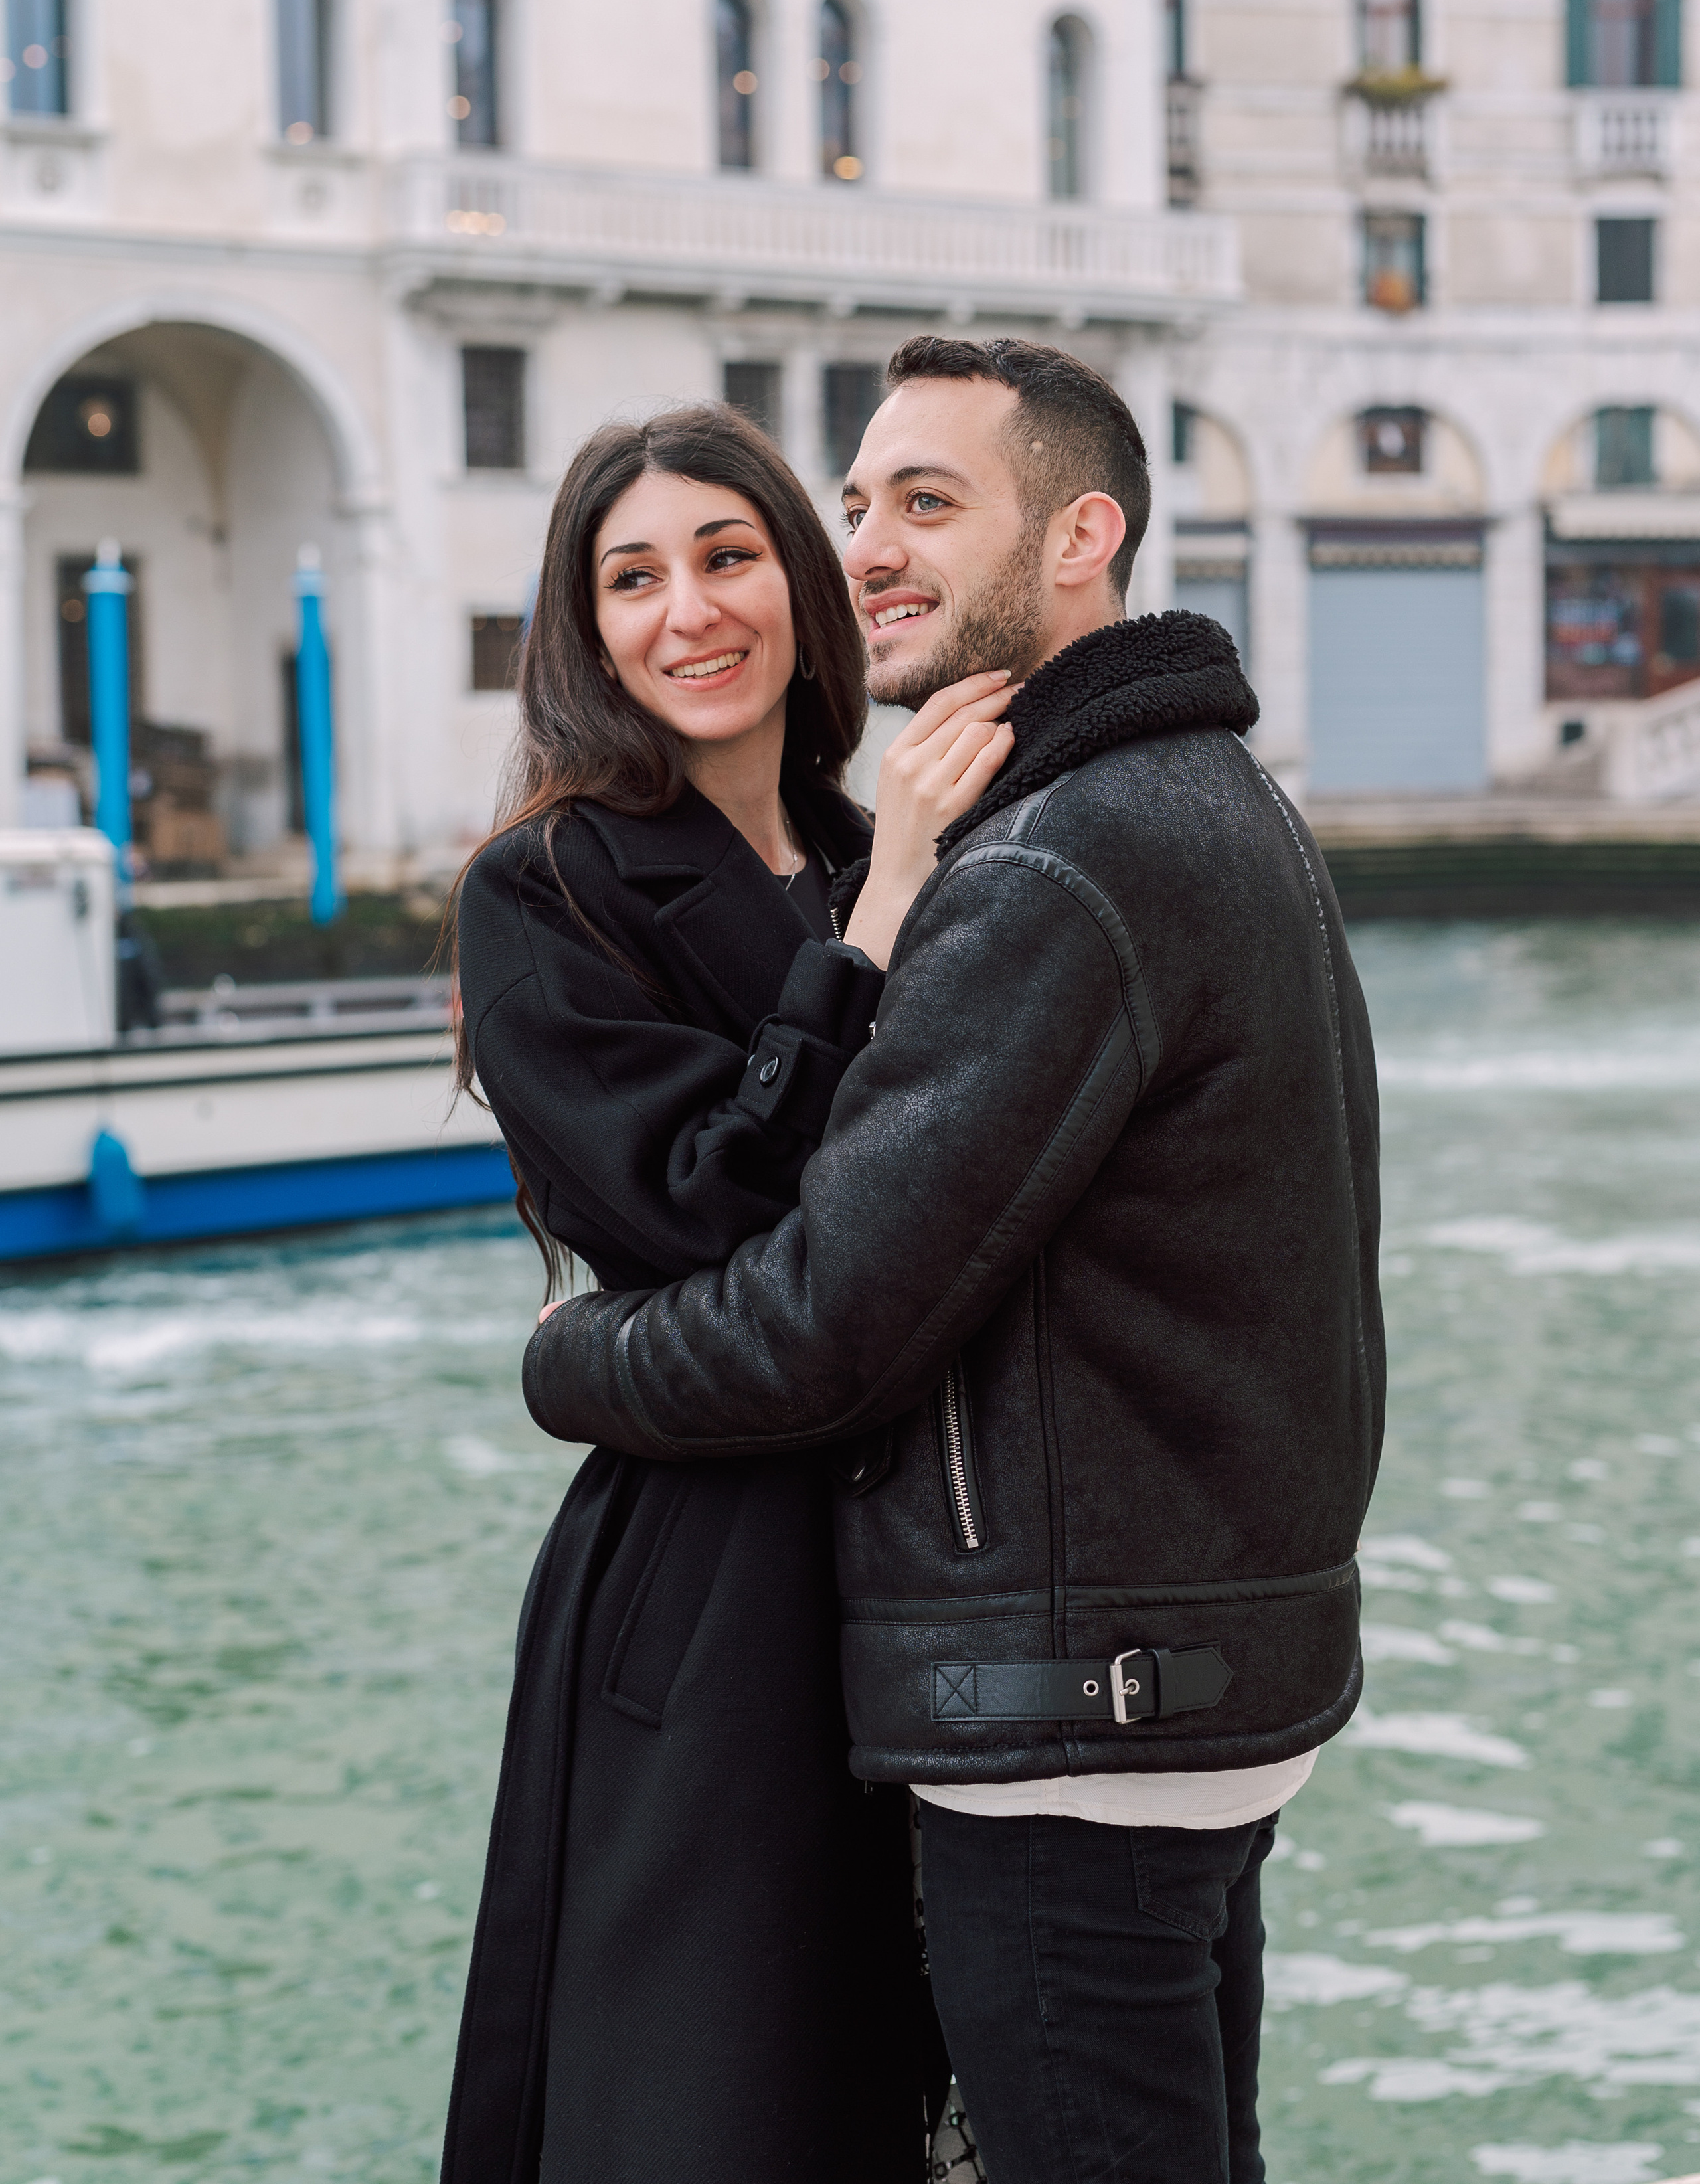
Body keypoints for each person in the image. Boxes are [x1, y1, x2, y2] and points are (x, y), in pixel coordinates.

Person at [523, 337, 1385, 2184]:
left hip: (1076, 1705)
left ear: (1083, 536)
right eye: (858, 505)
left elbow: (827, 1323)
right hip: (1183, 1675)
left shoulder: (1049, 864)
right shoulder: (1218, 800)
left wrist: (566, 1360)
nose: (871, 549)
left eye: (928, 503)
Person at [440, 402, 1015, 2184]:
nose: (687, 610)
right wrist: (882, 920)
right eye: (633, 578)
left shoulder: (868, 839)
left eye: (728, 555)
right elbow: (702, 1205)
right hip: (711, 1588)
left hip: (941, 1565)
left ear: (800, 587)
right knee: (716, 2102)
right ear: (585, 628)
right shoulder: (544, 890)